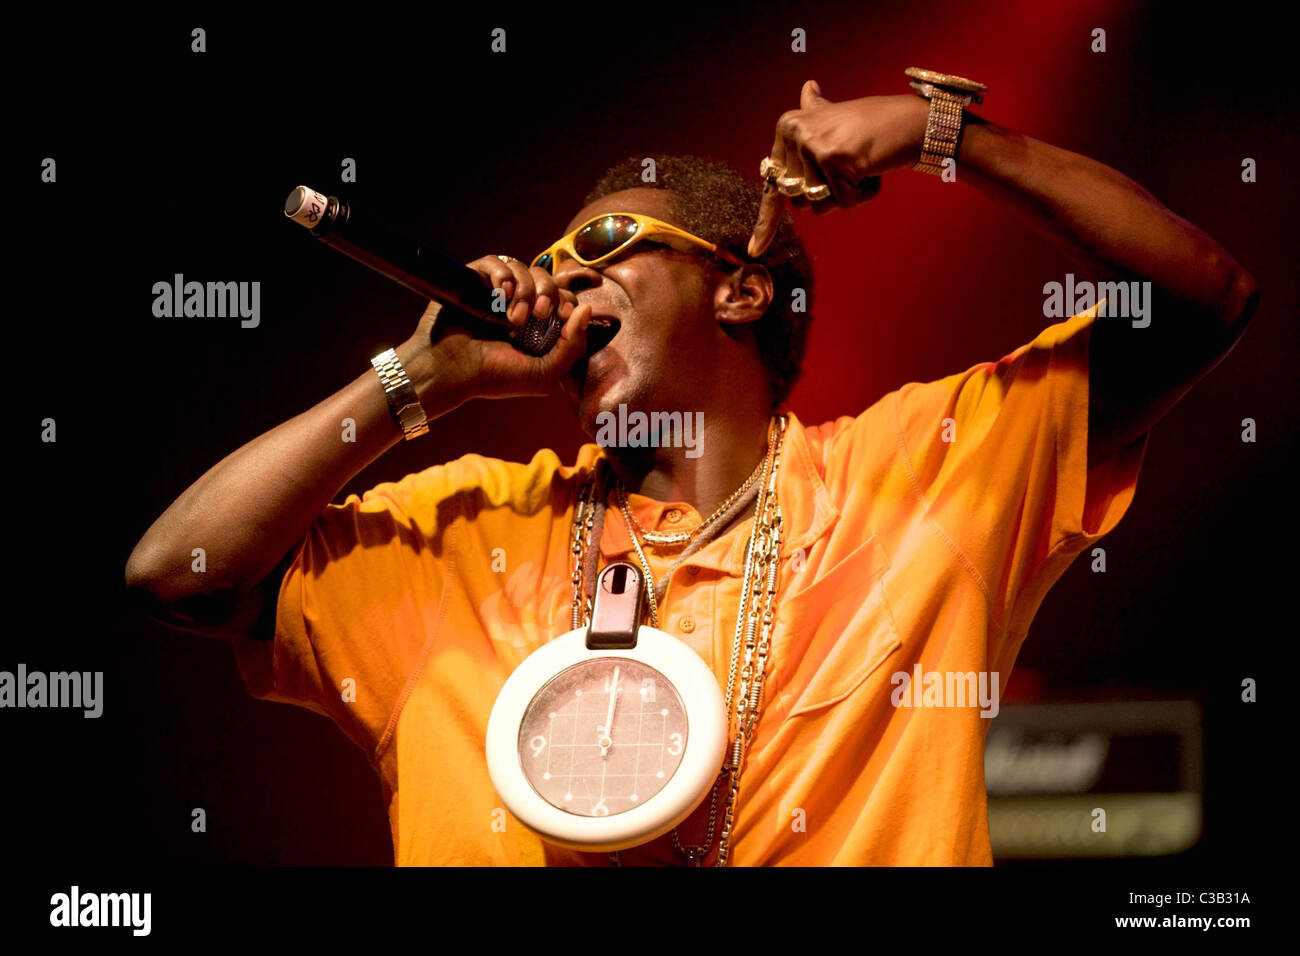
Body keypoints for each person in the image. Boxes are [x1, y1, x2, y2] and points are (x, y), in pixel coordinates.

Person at [125, 76, 1259, 866]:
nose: (563, 282)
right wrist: (416, 378)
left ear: (740, 288)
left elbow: (1205, 297)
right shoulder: (466, 534)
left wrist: (938, 132)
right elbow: (182, 574)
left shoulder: (920, 474)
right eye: (552, 265)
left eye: (608, 249)